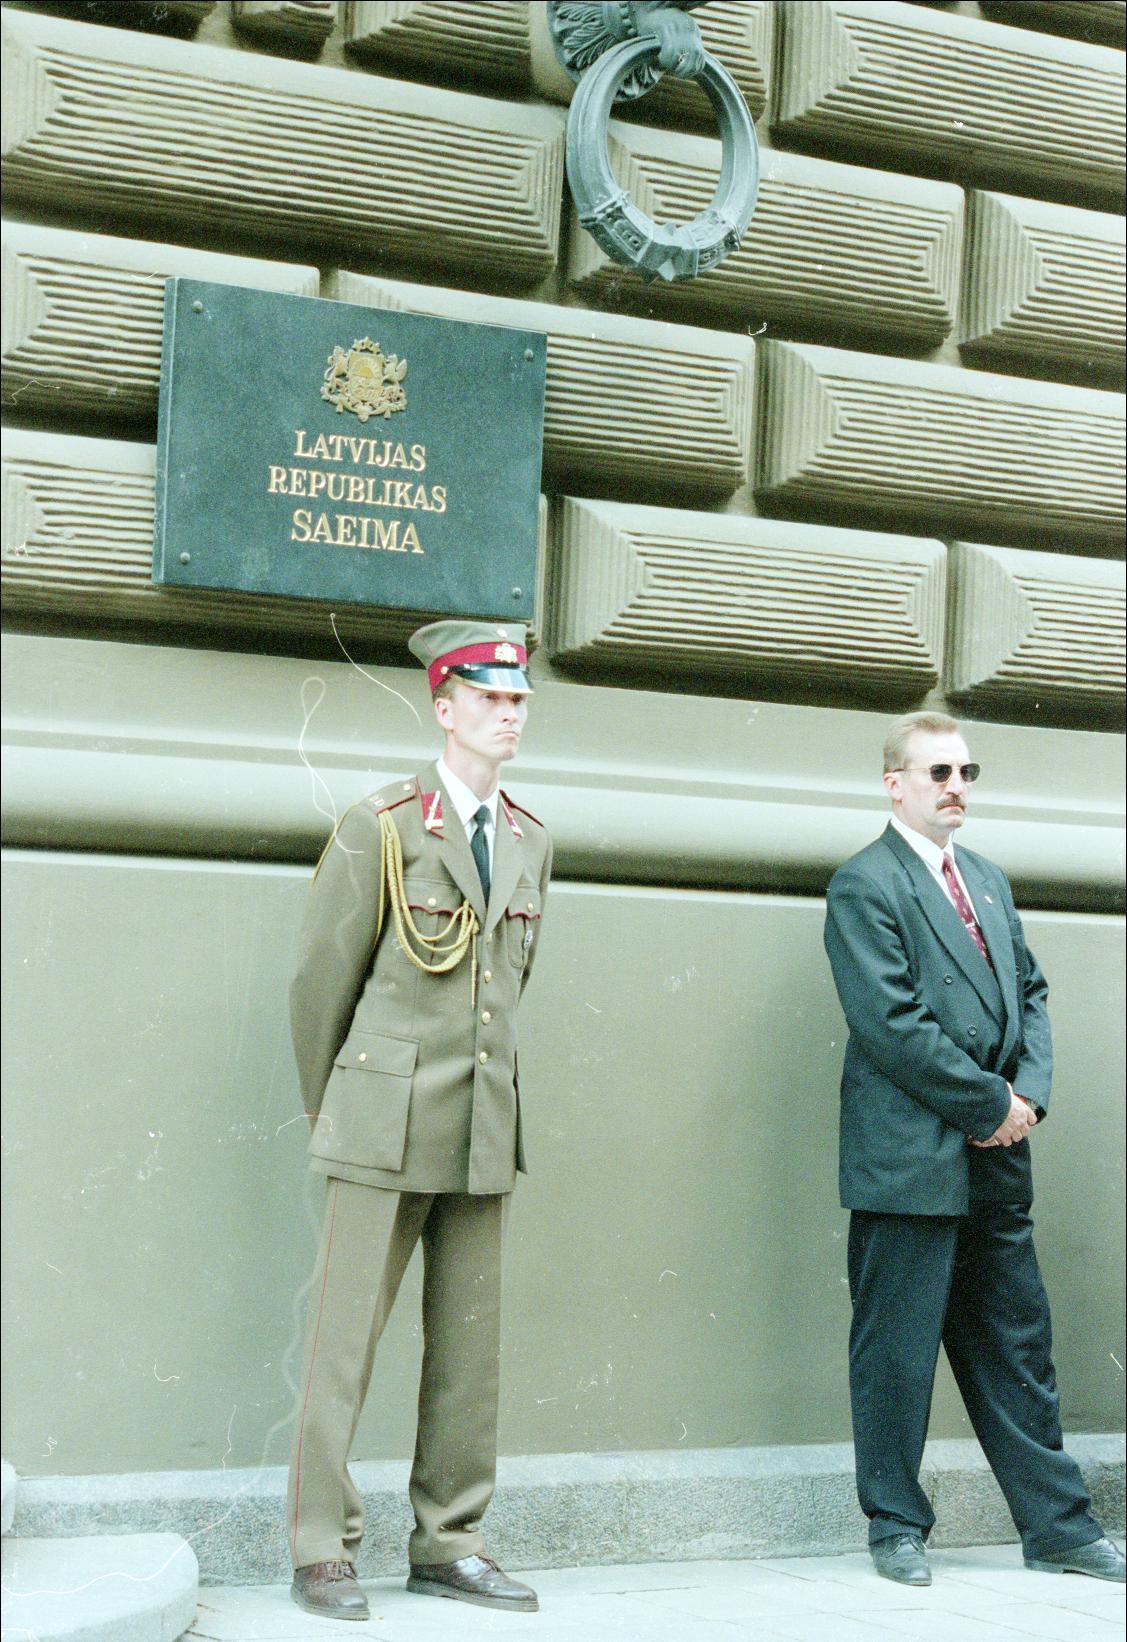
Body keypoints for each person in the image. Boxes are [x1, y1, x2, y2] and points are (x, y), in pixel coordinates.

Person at [285, 619, 552, 1620]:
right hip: (380, 1117)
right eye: (488, 698)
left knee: (468, 1352)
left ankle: (450, 1541)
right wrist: (334, 1107)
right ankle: (320, 1548)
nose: (507, 715)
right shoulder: (384, 824)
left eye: (517, 700)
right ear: (443, 707)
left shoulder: (530, 838)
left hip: (480, 1119)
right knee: (342, 1346)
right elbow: (321, 983)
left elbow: (507, 985)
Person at [823, 711, 1124, 1589]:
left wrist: (1025, 1095)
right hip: (909, 1159)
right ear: (894, 785)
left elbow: (1029, 992)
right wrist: (989, 1102)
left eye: (965, 773)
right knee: (896, 1354)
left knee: (1016, 1347)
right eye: (937, 773)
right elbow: (890, 1022)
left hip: (995, 1154)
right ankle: (894, 1527)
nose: (955, 787)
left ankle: (1058, 1529)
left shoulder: (985, 879)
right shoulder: (864, 884)